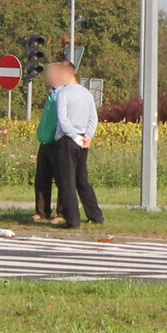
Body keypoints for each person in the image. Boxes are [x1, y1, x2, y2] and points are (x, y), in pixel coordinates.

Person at [54, 62, 103, 229]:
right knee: (82, 180)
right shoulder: (87, 94)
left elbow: (63, 119)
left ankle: (72, 220)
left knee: (67, 182)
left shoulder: (63, 94)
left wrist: (75, 137)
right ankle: (95, 215)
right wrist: (87, 137)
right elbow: (93, 118)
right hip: (83, 141)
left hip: (68, 140)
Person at [30, 63, 64, 223]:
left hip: (58, 141)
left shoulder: (64, 94)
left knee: (62, 179)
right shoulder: (51, 94)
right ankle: (42, 211)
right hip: (45, 141)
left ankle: (62, 213)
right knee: (42, 178)